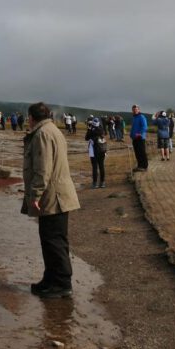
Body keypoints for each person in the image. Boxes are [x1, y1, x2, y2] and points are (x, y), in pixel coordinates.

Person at [22, 102, 80, 298]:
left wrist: (35, 195)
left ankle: (62, 283)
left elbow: (43, 169)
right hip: (56, 194)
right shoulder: (51, 129)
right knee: (50, 239)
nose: (27, 120)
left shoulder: (43, 134)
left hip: (53, 196)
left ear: (32, 117)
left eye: (28, 117)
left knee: (54, 240)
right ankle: (50, 279)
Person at [85, 116, 107, 188]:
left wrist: (89, 129)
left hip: (93, 150)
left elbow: (86, 138)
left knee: (95, 167)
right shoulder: (101, 129)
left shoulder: (91, 130)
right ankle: (102, 182)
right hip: (102, 150)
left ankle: (95, 183)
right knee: (101, 166)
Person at [130, 105, 149, 172]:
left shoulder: (141, 117)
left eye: (136, 109)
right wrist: (131, 134)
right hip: (134, 138)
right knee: (137, 153)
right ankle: (140, 166)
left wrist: (140, 134)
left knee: (142, 152)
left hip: (140, 138)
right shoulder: (134, 118)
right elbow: (133, 127)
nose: (135, 110)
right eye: (133, 109)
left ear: (139, 110)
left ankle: (144, 166)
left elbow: (145, 127)